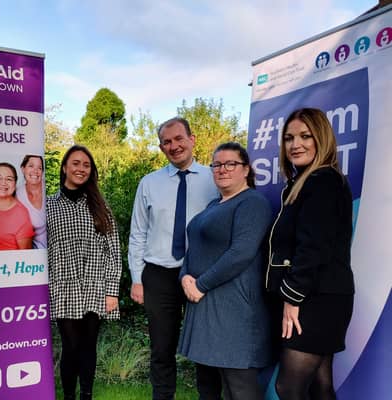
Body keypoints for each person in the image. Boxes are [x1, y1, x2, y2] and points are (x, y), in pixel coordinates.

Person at [128, 117, 220, 400]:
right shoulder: (149, 183)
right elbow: (138, 233)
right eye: (167, 142)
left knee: (205, 347)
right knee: (161, 348)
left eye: (179, 138)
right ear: (161, 148)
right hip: (159, 275)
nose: (174, 146)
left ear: (192, 140)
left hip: (201, 275)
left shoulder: (215, 179)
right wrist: (137, 279)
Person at [266, 108, 354, 400]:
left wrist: (292, 297)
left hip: (315, 299)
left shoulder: (322, 181)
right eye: (289, 138)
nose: (295, 144)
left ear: (322, 139)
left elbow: (313, 248)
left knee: (288, 388)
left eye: (306, 136)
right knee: (320, 385)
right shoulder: (305, 181)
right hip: (322, 295)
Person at [178, 142, 272, 400]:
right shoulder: (213, 205)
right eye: (217, 164)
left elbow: (241, 252)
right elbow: (193, 246)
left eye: (231, 163)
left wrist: (200, 285)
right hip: (205, 310)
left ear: (246, 169)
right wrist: (185, 276)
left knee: (239, 390)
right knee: (207, 388)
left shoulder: (252, 202)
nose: (222, 169)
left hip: (234, 313)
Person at [47, 145, 122, 400]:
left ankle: (86, 395)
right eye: (76, 163)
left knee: (89, 347)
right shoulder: (47, 206)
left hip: (94, 286)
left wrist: (112, 291)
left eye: (86, 165)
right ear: (65, 167)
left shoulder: (101, 207)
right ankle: (69, 396)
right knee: (70, 347)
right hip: (62, 286)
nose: (81, 169)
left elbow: (113, 251)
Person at [16, 154, 47, 248]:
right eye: (31, 166)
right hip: (36, 254)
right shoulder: (17, 194)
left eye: (39, 168)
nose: (35, 171)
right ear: (23, 168)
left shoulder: (50, 191)